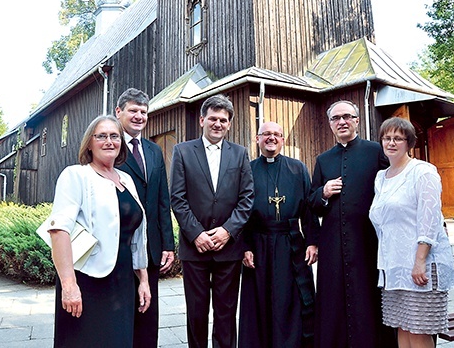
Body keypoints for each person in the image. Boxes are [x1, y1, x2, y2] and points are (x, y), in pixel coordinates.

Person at [45, 115, 150, 347]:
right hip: (87, 279)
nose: (109, 141)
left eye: (114, 136)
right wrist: (69, 285)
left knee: (119, 340)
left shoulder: (127, 180)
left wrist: (143, 280)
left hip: (123, 279)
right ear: (89, 143)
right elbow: (59, 231)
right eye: (101, 136)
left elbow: (136, 238)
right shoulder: (76, 175)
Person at [309, 100, 397, 348]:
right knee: (334, 298)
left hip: (369, 240)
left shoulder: (375, 151)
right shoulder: (323, 160)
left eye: (347, 117)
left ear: (357, 120)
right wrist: (323, 193)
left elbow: (395, 186)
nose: (342, 122)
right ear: (330, 125)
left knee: (368, 295)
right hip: (333, 243)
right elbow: (311, 203)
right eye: (336, 118)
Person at [170, 94, 254, 348]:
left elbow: (247, 198)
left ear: (229, 124)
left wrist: (227, 232)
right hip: (194, 248)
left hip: (228, 249)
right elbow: (178, 197)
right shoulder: (183, 151)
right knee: (196, 313)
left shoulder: (240, 154)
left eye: (223, 120)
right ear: (202, 120)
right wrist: (197, 234)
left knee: (226, 313)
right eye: (213, 119)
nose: (218, 124)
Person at [369, 117, 454, 348]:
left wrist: (419, 261)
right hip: (394, 266)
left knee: (419, 331)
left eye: (398, 138)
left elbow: (429, 220)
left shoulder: (423, 171)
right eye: (387, 138)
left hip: (421, 265)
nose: (391, 143)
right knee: (402, 327)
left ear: (409, 143)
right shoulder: (381, 178)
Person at [238, 121, 318, 348]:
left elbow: (309, 209)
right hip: (258, 244)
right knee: (259, 300)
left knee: (290, 300)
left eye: (277, 134)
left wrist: (312, 242)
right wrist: (244, 246)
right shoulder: (247, 170)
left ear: (283, 139)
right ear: (257, 139)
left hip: (290, 243)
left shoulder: (298, 168)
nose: (271, 138)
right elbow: (239, 211)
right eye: (266, 134)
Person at [115, 88, 175, 348]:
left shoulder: (153, 151)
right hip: (119, 246)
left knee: (147, 313)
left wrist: (168, 245)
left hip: (150, 249)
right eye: (133, 110)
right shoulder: (109, 145)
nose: (139, 116)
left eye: (143, 112)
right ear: (119, 112)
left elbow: (162, 200)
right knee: (119, 314)